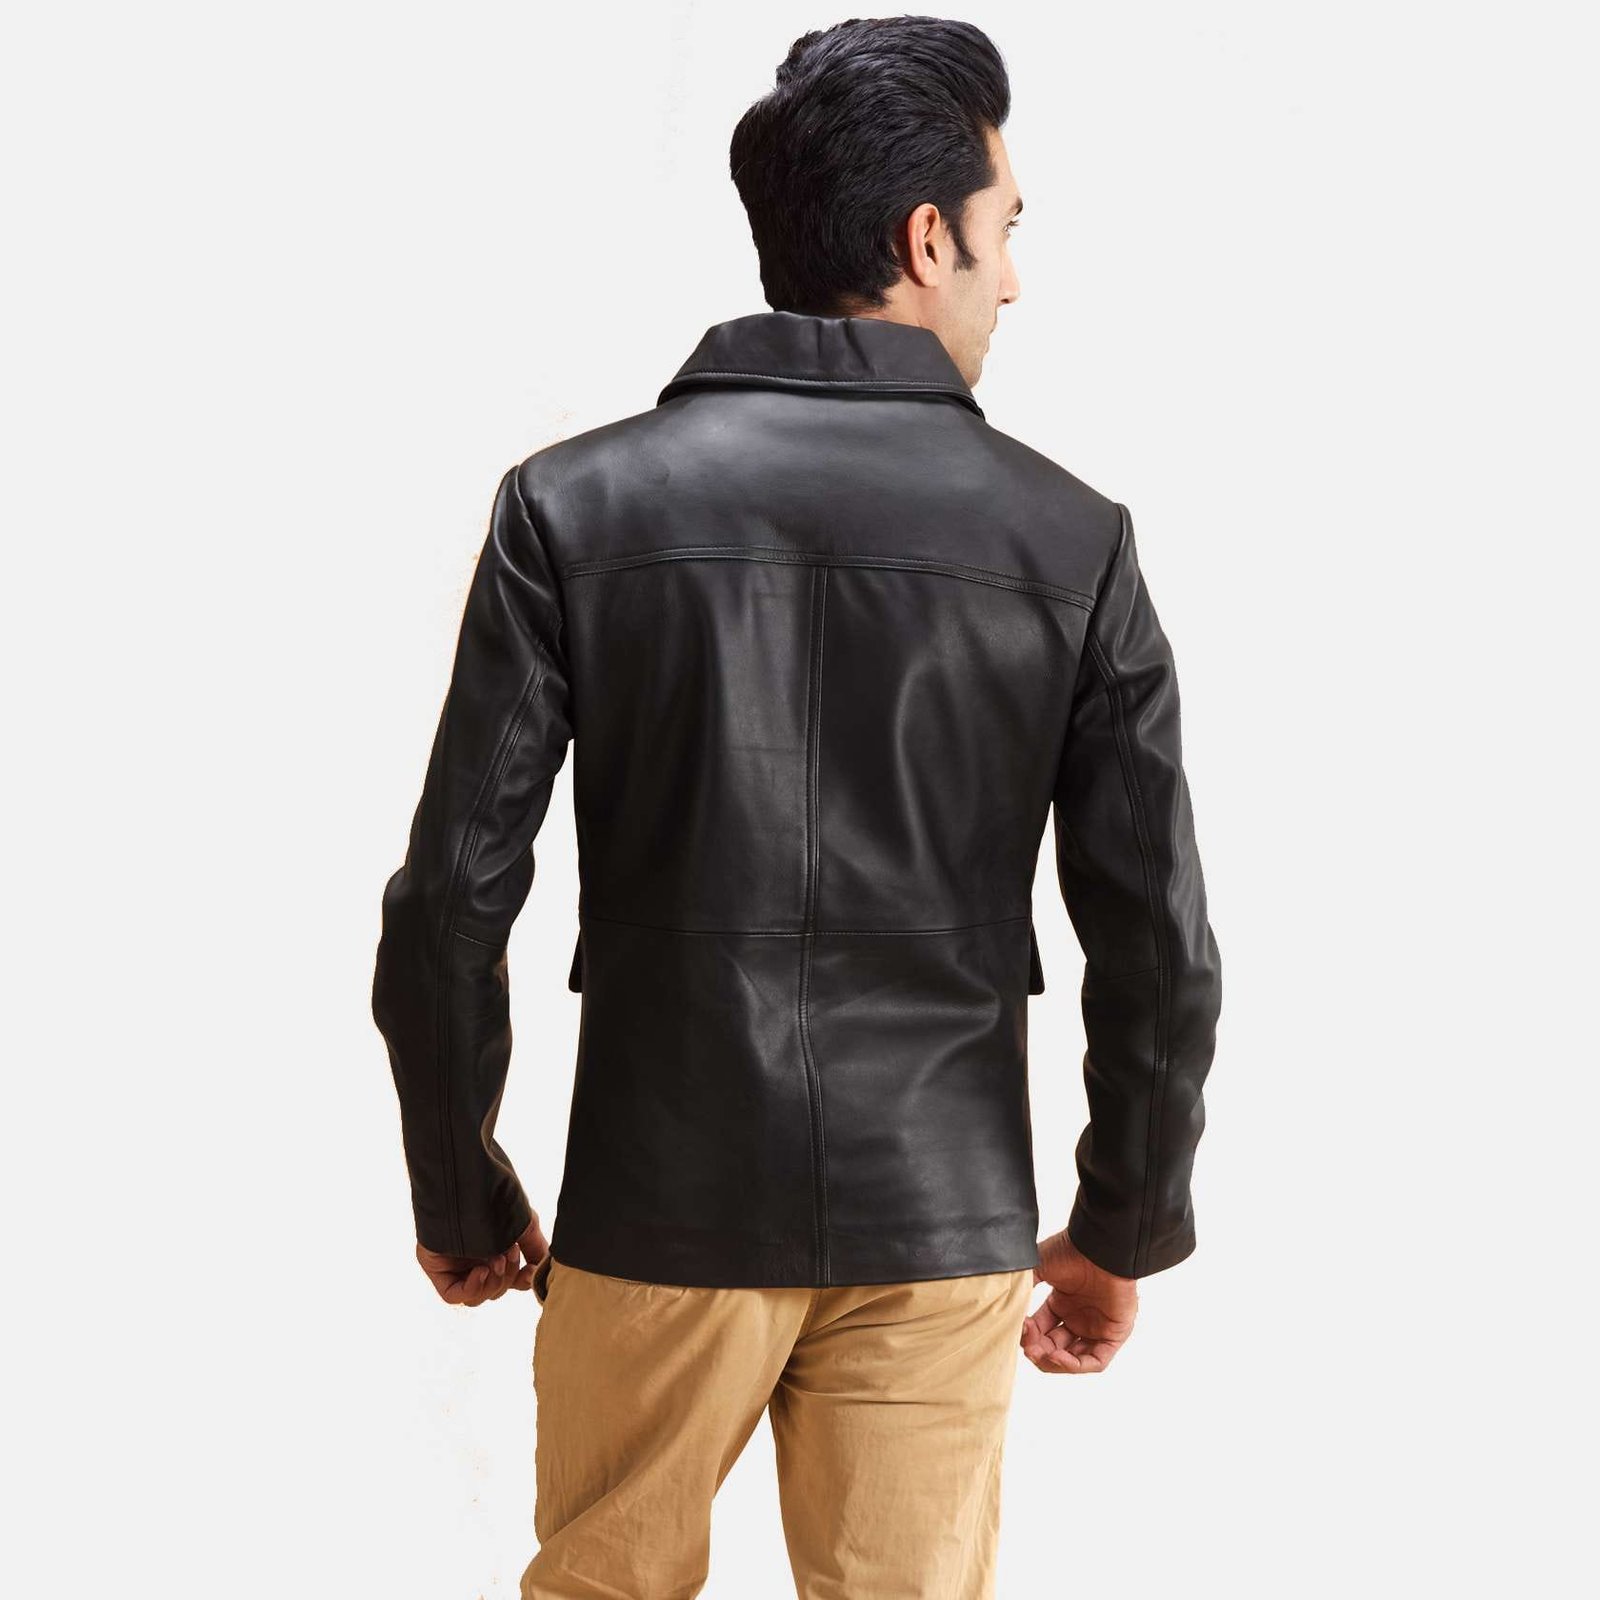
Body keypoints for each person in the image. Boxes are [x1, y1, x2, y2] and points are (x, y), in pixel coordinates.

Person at [371, 16, 1222, 1597]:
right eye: (1006, 230)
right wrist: (1122, 1222)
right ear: (927, 239)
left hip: (657, 1208)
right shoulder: (1070, 540)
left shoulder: (573, 507)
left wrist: (460, 1183)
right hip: (939, 1217)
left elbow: (448, 903)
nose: (1013, 280)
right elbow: (1158, 941)